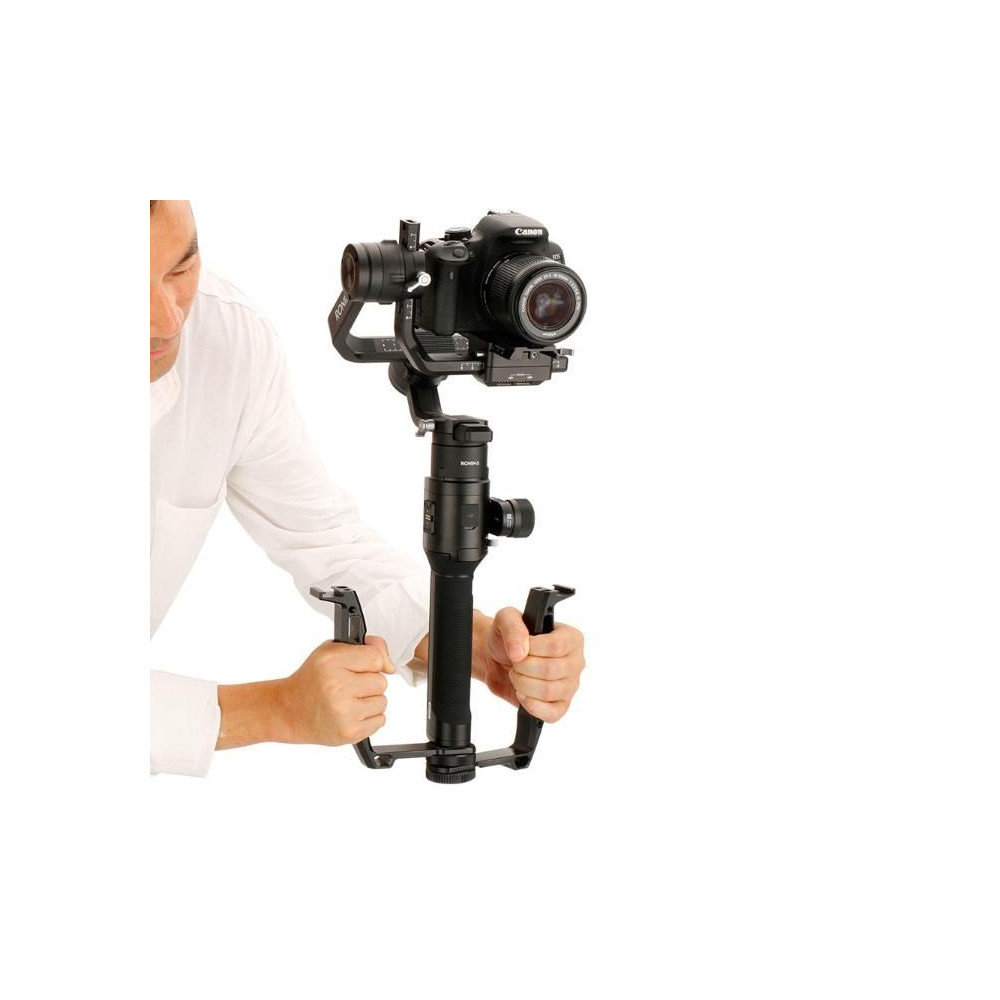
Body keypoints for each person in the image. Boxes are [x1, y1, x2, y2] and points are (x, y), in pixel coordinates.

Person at [150, 200, 587, 776]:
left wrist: (477, 648)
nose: (168, 320)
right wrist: (272, 710)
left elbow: (325, 539)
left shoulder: (226, 338)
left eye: (180, 269)